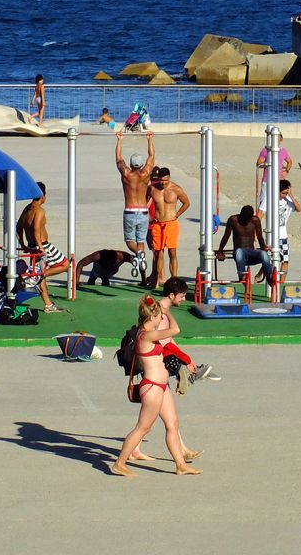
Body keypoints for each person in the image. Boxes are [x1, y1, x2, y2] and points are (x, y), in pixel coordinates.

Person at [110, 296, 202, 477]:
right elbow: (175, 329)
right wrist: (167, 311)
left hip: (161, 386)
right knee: (143, 428)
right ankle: (119, 463)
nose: (161, 319)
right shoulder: (146, 335)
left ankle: (181, 465)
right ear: (152, 317)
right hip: (152, 387)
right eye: (159, 316)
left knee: (173, 424)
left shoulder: (146, 333)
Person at [15, 181, 66, 312]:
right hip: (43, 246)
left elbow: (18, 227)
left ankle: (48, 304)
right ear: (43, 195)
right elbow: (37, 229)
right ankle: (37, 276)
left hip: (33, 247)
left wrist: (24, 245)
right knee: (65, 265)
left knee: (40, 272)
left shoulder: (27, 209)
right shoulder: (39, 211)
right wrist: (41, 247)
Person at [115, 130, 155, 282]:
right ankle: (141, 261)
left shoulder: (126, 174)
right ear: (141, 164)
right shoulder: (146, 173)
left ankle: (139, 255)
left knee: (129, 241)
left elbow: (118, 159)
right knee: (140, 242)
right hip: (144, 211)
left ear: (131, 164)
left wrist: (120, 139)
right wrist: (149, 140)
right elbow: (151, 157)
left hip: (130, 211)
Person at [147, 167, 190, 290]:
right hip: (157, 224)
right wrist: (149, 217)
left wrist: (177, 214)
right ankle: (156, 279)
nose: (163, 183)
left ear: (169, 178)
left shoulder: (176, 189)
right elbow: (145, 204)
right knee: (158, 252)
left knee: (172, 252)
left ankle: (174, 280)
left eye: (165, 180)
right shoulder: (152, 189)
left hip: (171, 224)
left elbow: (186, 203)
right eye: (161, 180)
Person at [216, 205, 273, 286]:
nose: (246, 221)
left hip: (251, 252)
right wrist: (220, 251)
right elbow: (226, 236)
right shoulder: (233, 220)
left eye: (248, 219)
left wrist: (264, 247)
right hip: (239, 253)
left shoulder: (255, 220)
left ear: (251, 217)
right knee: (239, 251)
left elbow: (260, 237)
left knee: (264, 254)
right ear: (241, 215)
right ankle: (242, 276)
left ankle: (269, 276)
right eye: (244, 218)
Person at [257, 179, 301, 283]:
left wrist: (291, 196)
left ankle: (281, 282)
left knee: (285, 259)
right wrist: (256, 232)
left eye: (287, 193)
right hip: (272, 235)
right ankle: (260, 273)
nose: (284, 195)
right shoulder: (269, 199)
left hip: (283, 235)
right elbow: (260, 214)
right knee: (271, 258)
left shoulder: (288, 201)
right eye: (283, 193)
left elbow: (299, 209)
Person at [254, 132, 294, 204]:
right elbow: (258, 164)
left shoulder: (283, 151)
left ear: (281, 139)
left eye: (278, 138)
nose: (276, 140)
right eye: (274, 138)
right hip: (267, 180)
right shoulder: (266, 150)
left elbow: (290, 162)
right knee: (263, 202)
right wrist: (266, 164)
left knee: (279, 202)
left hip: (280, 181)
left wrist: (286, 171)